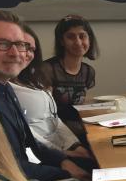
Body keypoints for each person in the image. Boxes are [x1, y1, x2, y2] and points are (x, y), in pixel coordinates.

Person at [0, 10, 90, 181]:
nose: (16, 53)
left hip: (33, 172)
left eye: (20, 44)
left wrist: (63, 161)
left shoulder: (4, 85)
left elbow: (29, 143)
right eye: (2, 44)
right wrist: (64, 174)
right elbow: (2, 168)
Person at [14, 23, 94, 161]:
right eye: (20, 46)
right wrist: (63, 155)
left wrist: (75, 145)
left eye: (30, 48)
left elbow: (53, 118)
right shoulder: (46, 70)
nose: (22, 53)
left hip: (62, 142)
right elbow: (28, 134)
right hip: (44, 156)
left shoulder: (33, 79)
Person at [40, 14, 99, 115]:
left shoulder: (88, 72)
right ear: (62, 41)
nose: (78, 42)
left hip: (79, 125)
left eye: (82, 36)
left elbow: (81, 107)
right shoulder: (47, 69)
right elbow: (45, 112)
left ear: (89, 39)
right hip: (54, 126)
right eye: (70, 37)